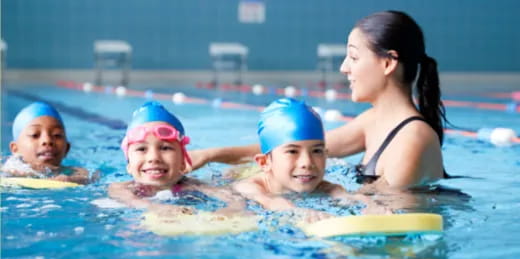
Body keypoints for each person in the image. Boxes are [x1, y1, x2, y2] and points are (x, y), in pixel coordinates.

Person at [188, 10, 447, 190]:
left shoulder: (412, 140)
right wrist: (210, 156)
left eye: (354, 58)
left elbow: (380, 212)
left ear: (388, 63)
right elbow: (290, 146)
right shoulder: (374, 121)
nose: (344, 68)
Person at [232, 98, 370, 218]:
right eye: (292, 151)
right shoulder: (248, 187)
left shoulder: (325, 187)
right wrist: (298, 212)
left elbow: (345, 197)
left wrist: (369, 205)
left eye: (316, 151)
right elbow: (270, 201)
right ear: (265, 162)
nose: (307, 163)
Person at [108, 101, 245, 216]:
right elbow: (130, 200)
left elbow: (232, 198)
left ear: (182, 161)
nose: (154, 158)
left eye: (165, 148)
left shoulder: (193, 186)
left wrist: (232, 209)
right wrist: (154, 208)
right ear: (129, 165)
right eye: (141, 149)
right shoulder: (122, 188)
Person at [1, 102, 90, 184]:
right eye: (35, 135)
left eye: (57, 135)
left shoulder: (72, 173)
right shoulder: (9, 169)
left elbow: (89, 177)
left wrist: (70, 180)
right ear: (15, 149)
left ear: (67, 148)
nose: (47, 140)